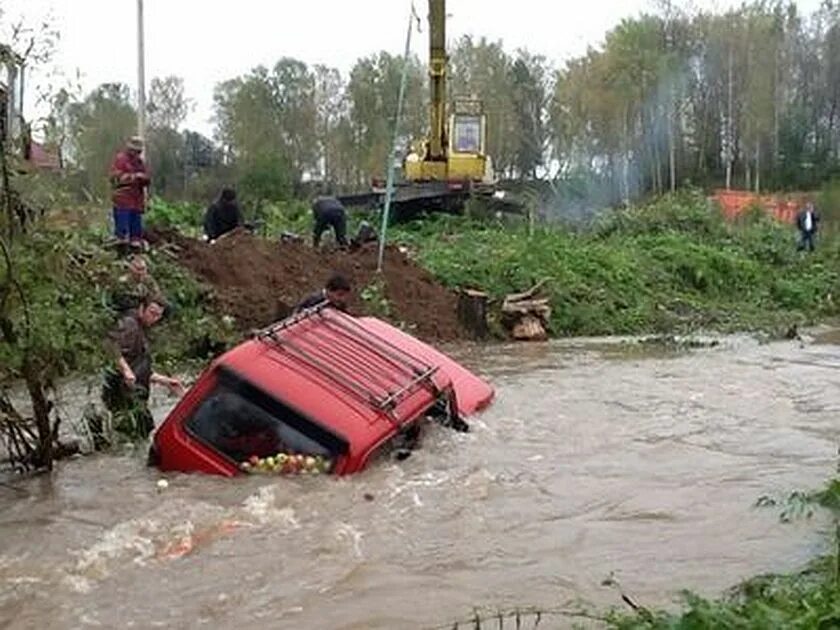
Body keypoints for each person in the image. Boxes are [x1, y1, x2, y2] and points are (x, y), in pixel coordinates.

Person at [102, 296, 184, 439]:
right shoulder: (130, 324)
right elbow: (109, 345)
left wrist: (166, 381)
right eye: (152, 312)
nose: (155, 318)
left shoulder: (140, 328)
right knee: (137, 434)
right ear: (141, 308)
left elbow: (139, 367)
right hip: (124, 394)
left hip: (134, 394)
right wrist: (126, 370)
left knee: (143, 433)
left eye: (158, 315)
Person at [109, 136, 151, 253]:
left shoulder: (140, 163)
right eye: (135, 150)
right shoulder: (121, 159)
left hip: (136, 201)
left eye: (139, 151)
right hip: (123, 201)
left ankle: (135, 254)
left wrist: (143, 178)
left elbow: (147, 178)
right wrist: (133, 177)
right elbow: (115, 178)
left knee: (136, 233)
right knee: (122, 231)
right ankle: (121, 254)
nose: (137, 153)